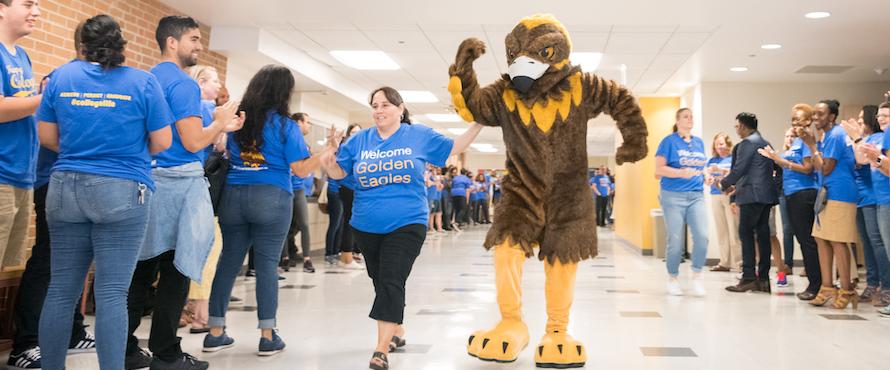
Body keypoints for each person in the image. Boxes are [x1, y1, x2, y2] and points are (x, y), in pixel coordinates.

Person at [35, 14, 174, 370]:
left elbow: (47, 138)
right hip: (122, 191)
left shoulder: (61, 76)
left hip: (65, 187)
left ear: (82, 45)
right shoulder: (142, 82)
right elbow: (162, 141)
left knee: (61, 289)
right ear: (121, 46)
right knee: (112, 292)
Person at [322, 87, 482, 370]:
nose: (379, 110)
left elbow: (455, 147)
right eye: (374, 105)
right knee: (380, 280)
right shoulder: (360, 140)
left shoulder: (417, 135)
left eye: (385, 105)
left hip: (407, 222)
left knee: (392, 278)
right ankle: (396, 331)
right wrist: (329, 165)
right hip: (366, 224)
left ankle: (380, 350)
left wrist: (479, 122)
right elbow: (340, 173)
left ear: (400, 108)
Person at [125, 16, 244, 370]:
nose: (200, 45)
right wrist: (221, 122)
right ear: (172, 42)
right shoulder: (183, 84)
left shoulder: (145, 78)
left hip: (147, 179)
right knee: (178, 269)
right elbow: (193, 141)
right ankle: (166, 353)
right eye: (193, 38)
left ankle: (126, 348)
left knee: (142, 270)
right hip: (179, 186)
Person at [202, 65, 332, 355]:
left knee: (228, 263)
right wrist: (322, 156)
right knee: (266, 267)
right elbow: (299, 168)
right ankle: (267, 334)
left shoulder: (239, 121)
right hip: (272, 197)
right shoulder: (286, 126)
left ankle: (214, 331)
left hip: (234, 197)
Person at [8, 20, 97, 370]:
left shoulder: (99, 84)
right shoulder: (63, 79)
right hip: (54, 181)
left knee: (76, 263)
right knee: (46, 261)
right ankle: (25, 342)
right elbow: (52, 136)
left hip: (83, 183)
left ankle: (73, 331)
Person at [798, 99, 859, 309]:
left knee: (838, 241)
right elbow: (819, 166)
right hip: (826, 194)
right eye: (814, 114)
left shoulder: (836, 134)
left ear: (832, 117)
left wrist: (811, 144)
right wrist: (814, 146)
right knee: (821, 239)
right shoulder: (826, 137)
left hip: (841, 194)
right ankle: (827, 287)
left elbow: (825, 168)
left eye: (820, 114)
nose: (815, 118)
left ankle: (848, 289)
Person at [0, 0, 42, 304]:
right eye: (28, 3)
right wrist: (46, 97)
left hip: (22, 175)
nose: (36, 12)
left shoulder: (22, 55)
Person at [183, 64, 225, 335]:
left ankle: (185, 310)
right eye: (215, 81)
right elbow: (220, 145)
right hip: (205, 188)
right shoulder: (208, 109)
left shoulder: (183, 107)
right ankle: (201, 315)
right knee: (210, 248)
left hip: (182, 184)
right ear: (200, 81)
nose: (219, 86)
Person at [722, 113, 779, 294]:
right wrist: (776, 189)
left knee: (745, 234)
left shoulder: (747, 143)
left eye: (737, 126)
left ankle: (748, 278)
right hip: (766, 196)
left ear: (745, 127)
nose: (737, 130)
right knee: (763, 235)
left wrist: (724, 183)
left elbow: (740, 169)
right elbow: (778, 168)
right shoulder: (765, 142)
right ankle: (763, 279)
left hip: (751, 195)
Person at [654, 108, 708, 296]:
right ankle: (673, 277)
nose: (690, 119)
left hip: (696, 195)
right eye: (686, 116)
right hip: (672, 195)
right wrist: (679, 173)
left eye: (692, 116)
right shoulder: (668, 142)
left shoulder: (699, 143)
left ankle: (697, 275)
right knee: (675, 239)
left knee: (702, 236)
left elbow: (702, 167)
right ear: (677, 121)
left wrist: (707, 175)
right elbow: (658, 170)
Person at [841, 105, 890, 307]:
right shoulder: (871, 139)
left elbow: (863, 158)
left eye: (863, 120)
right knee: (869, 244)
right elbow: (854, 161)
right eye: (880, 116)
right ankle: (873, 283)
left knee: (879, 244)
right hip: (863, 198)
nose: (881, 119)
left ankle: (885, 286)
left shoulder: (880, 137)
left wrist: (856, 137)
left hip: (876, 197)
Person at [282, 112, 315, 273]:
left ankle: (307, 259)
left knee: (304, 224)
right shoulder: (287, 140)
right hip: (286, 188)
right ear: (298, 123)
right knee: (285, 225)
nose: (308, 125)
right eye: (307, 122)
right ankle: (285, 258)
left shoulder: (305, 145)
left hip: (300, 189)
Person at [705, 133, 740, 272]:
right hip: (715, 195)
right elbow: (707, 177)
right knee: (722, 231)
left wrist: (720, 171)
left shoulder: (733, 159)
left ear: (728, 144)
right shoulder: (712, 160)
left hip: (730, 195)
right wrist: (708, 179)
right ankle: (724, 262)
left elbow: (735, 174)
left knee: (734, 230)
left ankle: (739, 263)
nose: (719, 146)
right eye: (717, 144)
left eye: (722, 143)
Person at [336, 123, 365, 269]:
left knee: (353, 221)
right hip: (347, 187)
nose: (356, 135)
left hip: (356, 188)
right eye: (353, 132)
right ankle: (346, 258)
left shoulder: (360, 147)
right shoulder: (346, 148)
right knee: (349, 221)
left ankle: (350, 253)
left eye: (358, 133)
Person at [425, 165, 444, 233]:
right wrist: (435, 183)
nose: (435, 171)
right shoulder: (428, 175)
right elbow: (428, 184)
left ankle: (439, 228)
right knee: (431, 213)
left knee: (439, 213)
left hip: (437, 196)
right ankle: (430, 228)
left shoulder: (436, 177)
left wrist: (440, 185)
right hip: (430, 196)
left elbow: (439, 188)